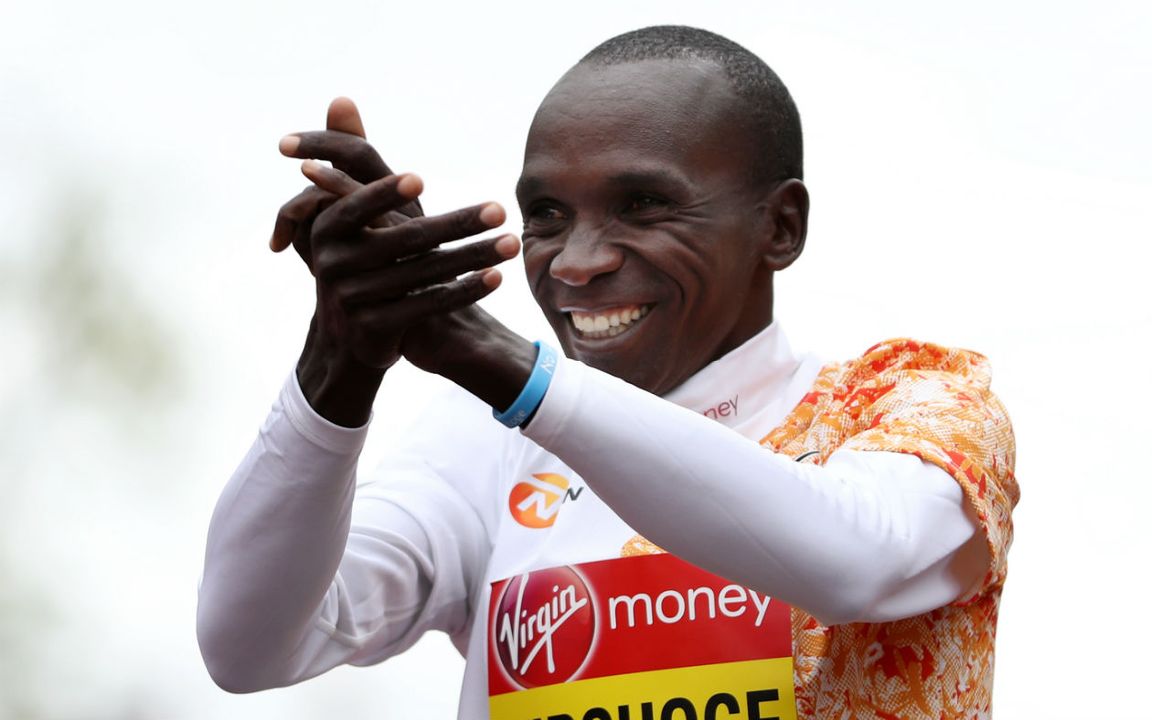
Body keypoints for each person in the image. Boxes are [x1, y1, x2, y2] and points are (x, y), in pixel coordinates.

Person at [198, 25, 1018, 720]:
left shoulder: (914, 403)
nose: (578, 263)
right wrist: (341, 356)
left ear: (781, 226)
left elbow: (851, 564)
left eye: (644, 206)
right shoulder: (483, 445)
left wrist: (515, 374)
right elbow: (249, 646)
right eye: (548, 215)